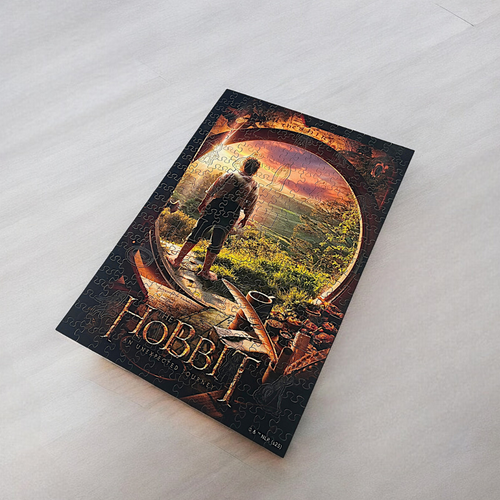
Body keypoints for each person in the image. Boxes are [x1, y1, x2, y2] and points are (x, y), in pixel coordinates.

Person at [168, 157, 261, 281]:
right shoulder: (254, 185)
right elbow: (251, 203)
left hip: (215, 205)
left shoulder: (230, 175)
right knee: (217, 241)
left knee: (198, 231)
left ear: (244, 165)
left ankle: (178, 260)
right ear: (255, 171)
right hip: (232, 212)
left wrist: (204, 202)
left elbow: (214, 188)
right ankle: (205, 272)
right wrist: (246, 217)